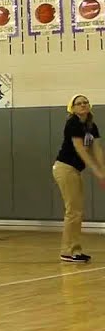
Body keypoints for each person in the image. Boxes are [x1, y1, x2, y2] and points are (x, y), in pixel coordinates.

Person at [52, 95, 104, 263]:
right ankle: (68, 251)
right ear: (72, 108)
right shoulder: (73, 123)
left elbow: (97, 149)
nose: (83, 105)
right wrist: (96, 171)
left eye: (85, 102)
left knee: (77, 211)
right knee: (73, 211)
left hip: (74, 170)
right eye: (79, 103)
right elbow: (80, 149)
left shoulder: (91, 125)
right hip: (65, 168)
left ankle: (75, 249)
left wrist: (103, 170)